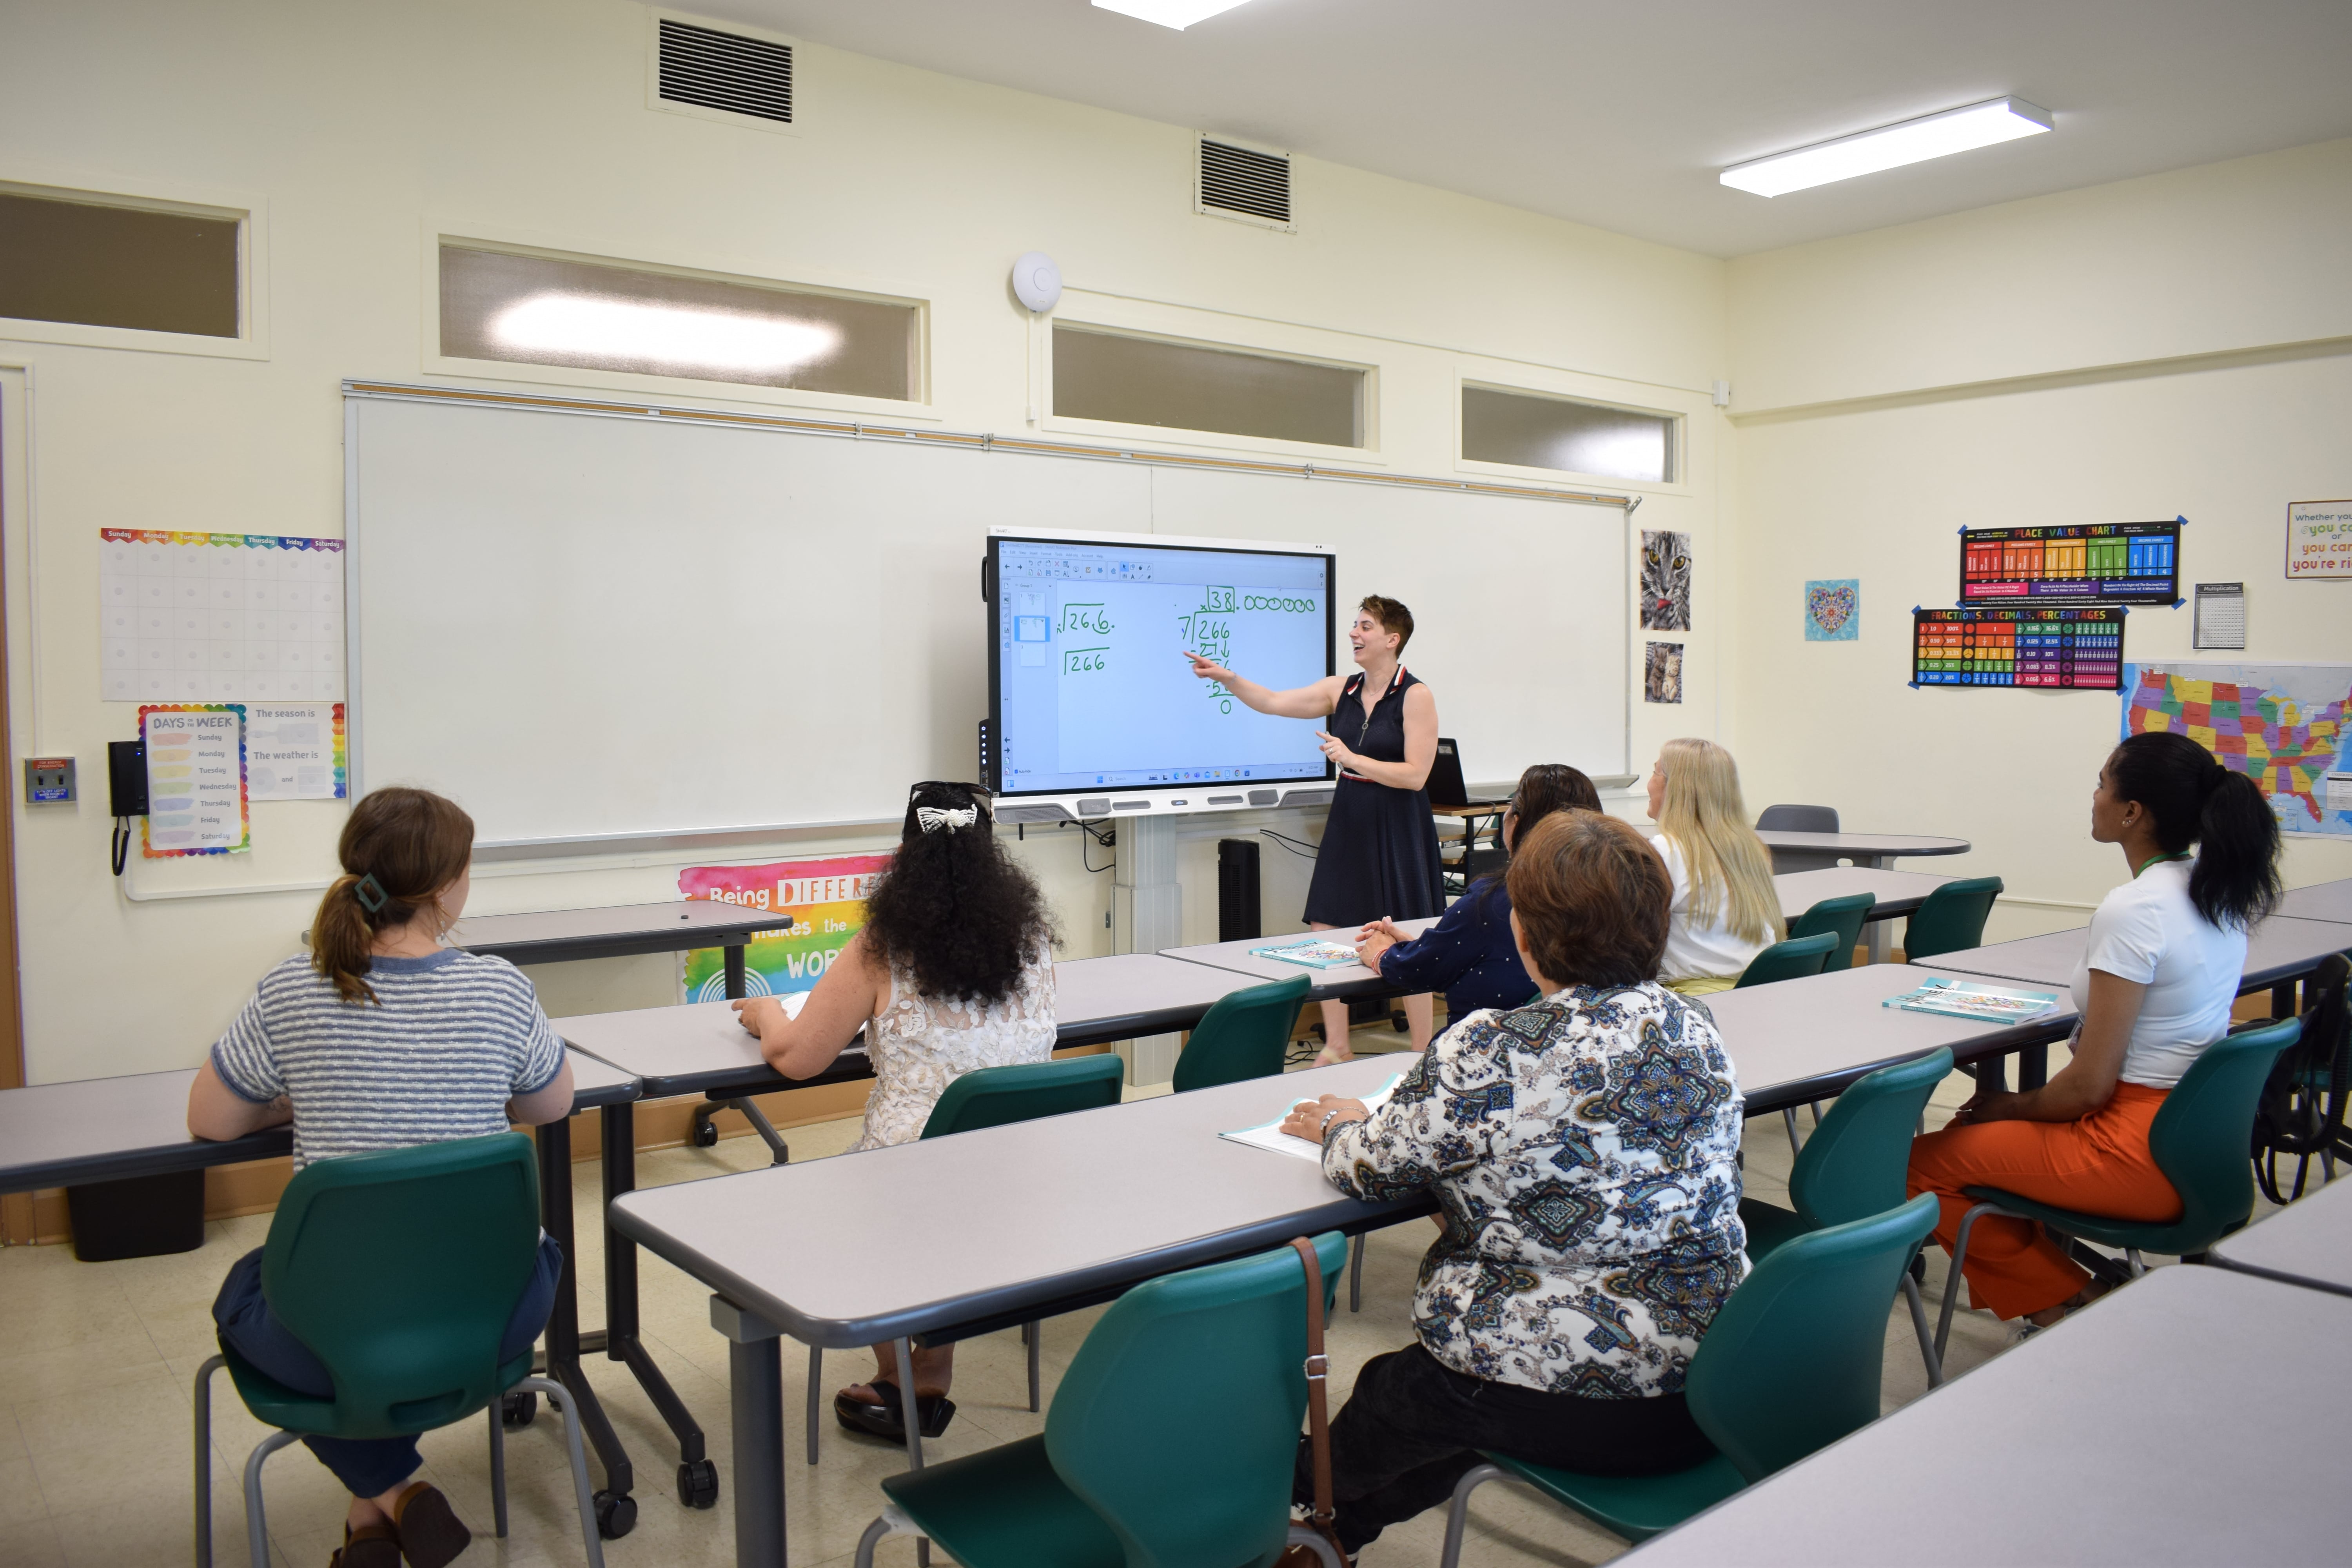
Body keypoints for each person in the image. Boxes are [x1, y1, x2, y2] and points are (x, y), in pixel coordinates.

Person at [1276, 811, 1746, 1557]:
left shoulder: (1493, 1045)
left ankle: (1298, 1504)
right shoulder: (1694, 1021)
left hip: (1578, 1394)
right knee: (1449, 1402)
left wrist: (1337, 1125)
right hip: (1719, 1380)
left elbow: (1372, 1165)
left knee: (1401, 1396)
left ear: (1526, 935)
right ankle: (1335, 1532)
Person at [187, 787, 573, 1568]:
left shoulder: (293, 987)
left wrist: (296, 1099)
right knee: (484, 1271)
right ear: (445, 889)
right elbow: (552, 1101)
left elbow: (212, 1120)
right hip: (492, 1317)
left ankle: (387, 1498)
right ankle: (383, 1512)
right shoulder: (500, 988)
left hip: (330, 1336)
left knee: (250, 1296)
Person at [1907, 731, 2282, 1330]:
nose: (2095, 795)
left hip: (2135, 1150)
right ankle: (2079, 1287)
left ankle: (2072, 1308)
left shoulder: (2135, 909)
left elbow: (2087, 1090)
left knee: (1919, 1166)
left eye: (2103, 784)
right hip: (2196, 1139)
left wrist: (2011, 1104)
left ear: (2132, 813)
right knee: (1970, 1128)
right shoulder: (2217, 891)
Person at [733, 780, 1057, 1440]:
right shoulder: (1031, 944)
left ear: (906, 858)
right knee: (946, 1189)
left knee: (834, 1197)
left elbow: (797, 1058)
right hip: (1023, 1176)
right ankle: (928, 1373)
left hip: (913, 1185)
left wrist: (766, 1011)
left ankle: (902, 1376)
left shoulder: (883, 947)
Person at [1185, 594, 1444, 1061]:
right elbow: (1274, 701)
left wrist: (1352, 758)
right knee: (1327, 924)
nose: (1354, 634)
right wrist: (1229, 679)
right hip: (1351, 815)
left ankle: (1422, 1052)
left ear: (1392, 639)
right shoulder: (1339, 688)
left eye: (1365, 627)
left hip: (1398, 821)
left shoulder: (1416, 695)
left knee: (1407, 930)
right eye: (1355, 625)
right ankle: (1338, 1045)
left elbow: (1416, 775)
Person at [1354, 763, 1602, 1045]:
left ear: (1516, 822)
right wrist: (1417, 946)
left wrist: (1384, 954)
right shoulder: (1612, 894)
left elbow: (1424, 969)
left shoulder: (1494, 902)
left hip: (1490, 1052)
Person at [1644, 737, 1784, 995]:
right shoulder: (1751, 846)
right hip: (1758, 989)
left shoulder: (1667, 851)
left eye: (1655, 773)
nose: (1649, 784)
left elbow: (1632, 936)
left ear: (1677, 788)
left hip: (1698, 1001)